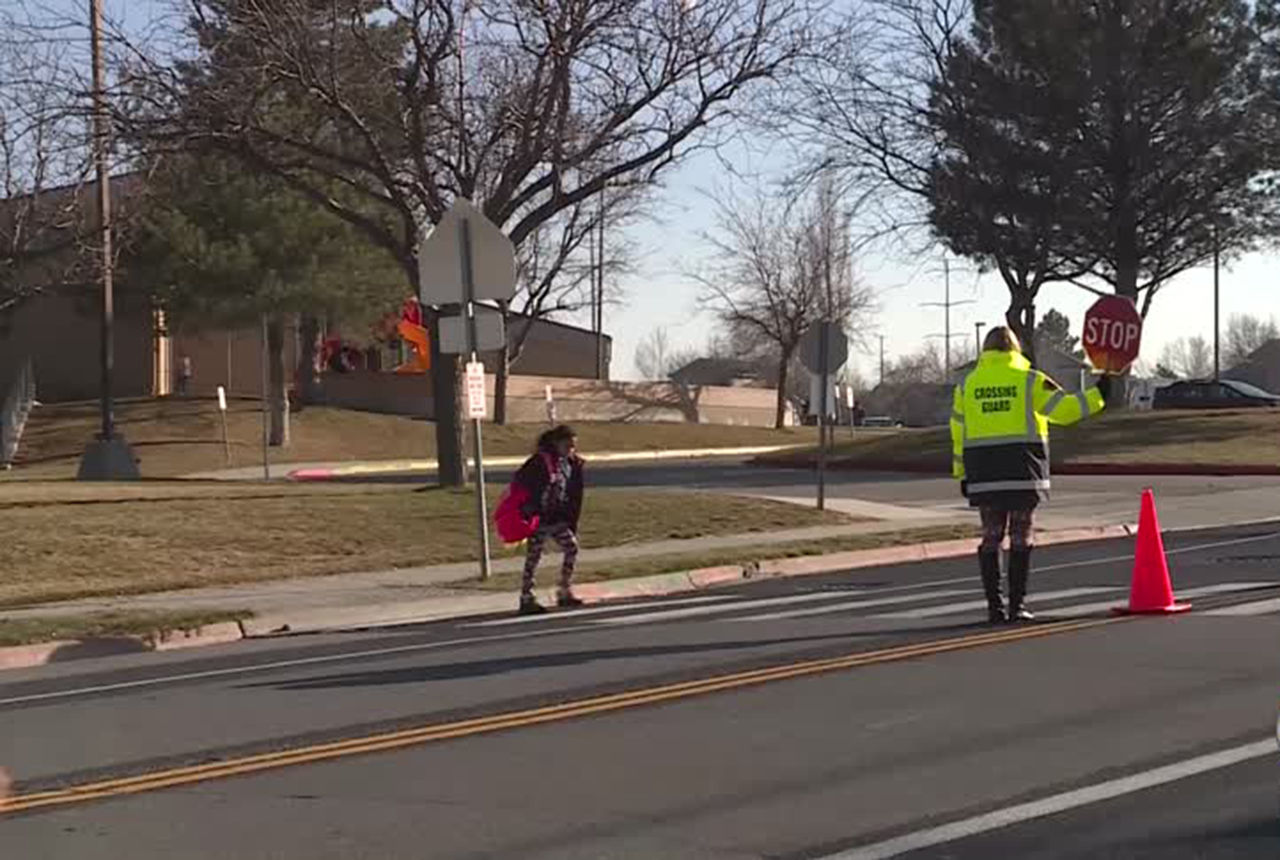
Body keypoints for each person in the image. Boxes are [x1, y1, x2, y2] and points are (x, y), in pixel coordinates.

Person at [950, 327, 1112, 623]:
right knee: (1021, 536)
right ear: (1016, 349)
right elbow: (1064, 410)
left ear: (985, 350)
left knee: (991, 537)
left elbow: (958, 431)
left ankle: (994, 608)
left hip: (983, 473)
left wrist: (962, 471)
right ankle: (1017, 606)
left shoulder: (968, 386)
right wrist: (1099, 394)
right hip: (1022, 470)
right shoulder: (1030, 380)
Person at [512, 424, 586, 615]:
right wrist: (527, 509)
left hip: (556, 518)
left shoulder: (571, 464)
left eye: (573, 446)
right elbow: (521, 481)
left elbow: (573, 493)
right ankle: (526, 597)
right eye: (567, 445)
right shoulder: (540, 461)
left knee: (571, 547)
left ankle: (564, 589)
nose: (571, 449)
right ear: (556, 443)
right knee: (534, 556)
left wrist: (570, 519)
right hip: (538, 518)